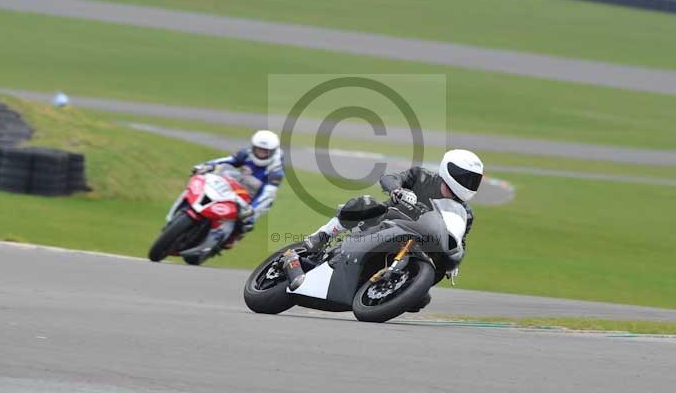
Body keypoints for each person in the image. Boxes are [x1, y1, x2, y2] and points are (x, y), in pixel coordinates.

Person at [298, 149, 484, 309]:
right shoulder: (422, 177)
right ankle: (323, 234)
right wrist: (397, 190)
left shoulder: (465, 213)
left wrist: (454, 262)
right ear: (449, 170)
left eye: (473, 180)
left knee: (421, 300)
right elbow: (389, 178)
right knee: (364, 203)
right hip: (386, 220)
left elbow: (460, 238)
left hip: (420, 242)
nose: (468, 183)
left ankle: (386, 288)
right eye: (464, 177)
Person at [188, 130, 284, 253]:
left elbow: (268, 193)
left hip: (254, 199)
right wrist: (208, 165)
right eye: (259, 149)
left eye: (265, 151)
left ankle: (232, 237)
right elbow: (227, 160)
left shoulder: (275, 169)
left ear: (273, 152)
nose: (261, 153)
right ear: (253, 147)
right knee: (219, 181)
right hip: (236, 188)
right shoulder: (245, 154)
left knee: (247, 220)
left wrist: (252, 209)